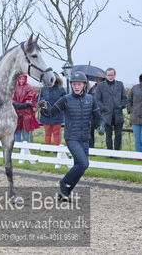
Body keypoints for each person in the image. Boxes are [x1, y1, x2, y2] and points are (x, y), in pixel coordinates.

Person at [38, 71, 105, 201]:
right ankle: (64, 182)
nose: (76, 86)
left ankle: (65, 194)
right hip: (72, 137)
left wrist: (101, 126)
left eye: (79, 84)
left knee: (80, 168)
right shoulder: (66, 99)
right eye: (74, 84)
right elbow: (51, 113)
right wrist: (44, 107)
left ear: (84, 85)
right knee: (84, 163)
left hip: (85, 138)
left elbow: (99, 118)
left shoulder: (91, 99)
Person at [95, 68, 127, 150]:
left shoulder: (120, 84)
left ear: (114, 75)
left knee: (118, 135)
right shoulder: (100, 85)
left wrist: (121, 106)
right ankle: (109, 153)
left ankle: (117, 153)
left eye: (112, 75)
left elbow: (124, 98)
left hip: (118, 114)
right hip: (106, 115)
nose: (110, 77)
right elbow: (97, 99)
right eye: (108, 75)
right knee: (108, 135)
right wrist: (103, 108)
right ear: (105, 75)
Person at [39, 73, 66, 145]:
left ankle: (56, 150)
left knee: (56, 133)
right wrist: (46, 108)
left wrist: (54, 109)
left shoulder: (61, 89)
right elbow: (39, 100)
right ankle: (47, 149)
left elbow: (64, 102)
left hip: (57, 115)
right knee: (47, 133)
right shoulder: (43, 89)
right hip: (46, 115)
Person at [12, 74, 39, 142]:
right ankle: (18, 146)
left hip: (26, 111)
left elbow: (32, 97)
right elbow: (12, 97)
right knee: (17, 130)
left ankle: (26, 147)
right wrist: (15, 104)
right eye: (20, 79)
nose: (21, 80)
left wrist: (26, 104)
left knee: (26, 130)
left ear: (25, 79)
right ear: (18, 79)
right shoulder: (15, 87)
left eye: (23, 79)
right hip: (17, 111)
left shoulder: (29, 87)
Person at [88, 76, 105, 148]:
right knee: (90, 132)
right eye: (96, 78)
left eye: (98, 78)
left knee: (101, 131)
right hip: (92, 113)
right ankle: (91, 148)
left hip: (101, 112)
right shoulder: (92, 88)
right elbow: (88, 97)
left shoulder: (105, 88)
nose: (97, 79)